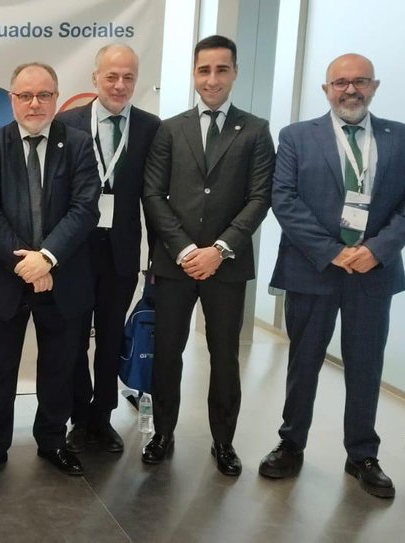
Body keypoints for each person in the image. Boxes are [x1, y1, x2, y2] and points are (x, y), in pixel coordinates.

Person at [259, 53, 405, 499]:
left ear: (374, 86)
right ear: (326, 89)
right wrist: (333, 252)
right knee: (303, 362)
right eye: (340, 82)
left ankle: (362, 455)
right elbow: (285, 199)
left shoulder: (402, 138)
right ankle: (291, 444)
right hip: (313, 268)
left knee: (366, 365)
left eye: (360, 81)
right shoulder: (296, 137)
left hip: (373, 272)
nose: (350, 90)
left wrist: (375, 250)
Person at [139, 35, 274, 477]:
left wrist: (218, 250)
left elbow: (259, 198)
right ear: (194, 75)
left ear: (234, 72)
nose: (212, 79)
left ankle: (223, 441)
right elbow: (153, 195)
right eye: (204, 70)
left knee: (224, 355)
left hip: (227, 266)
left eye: (221, 69)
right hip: (175, 265)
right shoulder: (169, 129)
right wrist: (184, 250)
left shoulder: (255, 130)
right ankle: (162, 433)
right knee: (167, 353)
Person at [0, 63, 99, 479]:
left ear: (57, 98)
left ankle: (53, 441)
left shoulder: (77, 145)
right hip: (8, 278)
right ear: (12, 99)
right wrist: (28, 264)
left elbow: (84, 208)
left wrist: (49, 258)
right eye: (25, 96)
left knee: (59, 366)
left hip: (63, 276)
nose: (35, 103)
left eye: (43, 95)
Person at [56, 44, 161, 454]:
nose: (120, 85)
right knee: (75, 337)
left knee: (112, 336)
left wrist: (154, 259)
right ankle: (79, 416)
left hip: (121, 250)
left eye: (128, 77)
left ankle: (103, 416)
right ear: (95, 77)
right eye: (112, 76)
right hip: (75, 251)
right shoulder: (67, 124)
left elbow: (156, 197)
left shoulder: (153, 128)